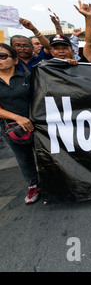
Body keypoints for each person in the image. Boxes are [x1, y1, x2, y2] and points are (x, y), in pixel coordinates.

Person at [0, 43, 40, 204]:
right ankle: (33, 186)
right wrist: (17, 118)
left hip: (37, 126)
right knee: (24, 159)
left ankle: (54, 182)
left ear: (15, 60)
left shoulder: (28, 77)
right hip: (13, 129)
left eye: (3, 56)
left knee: (46, 156)